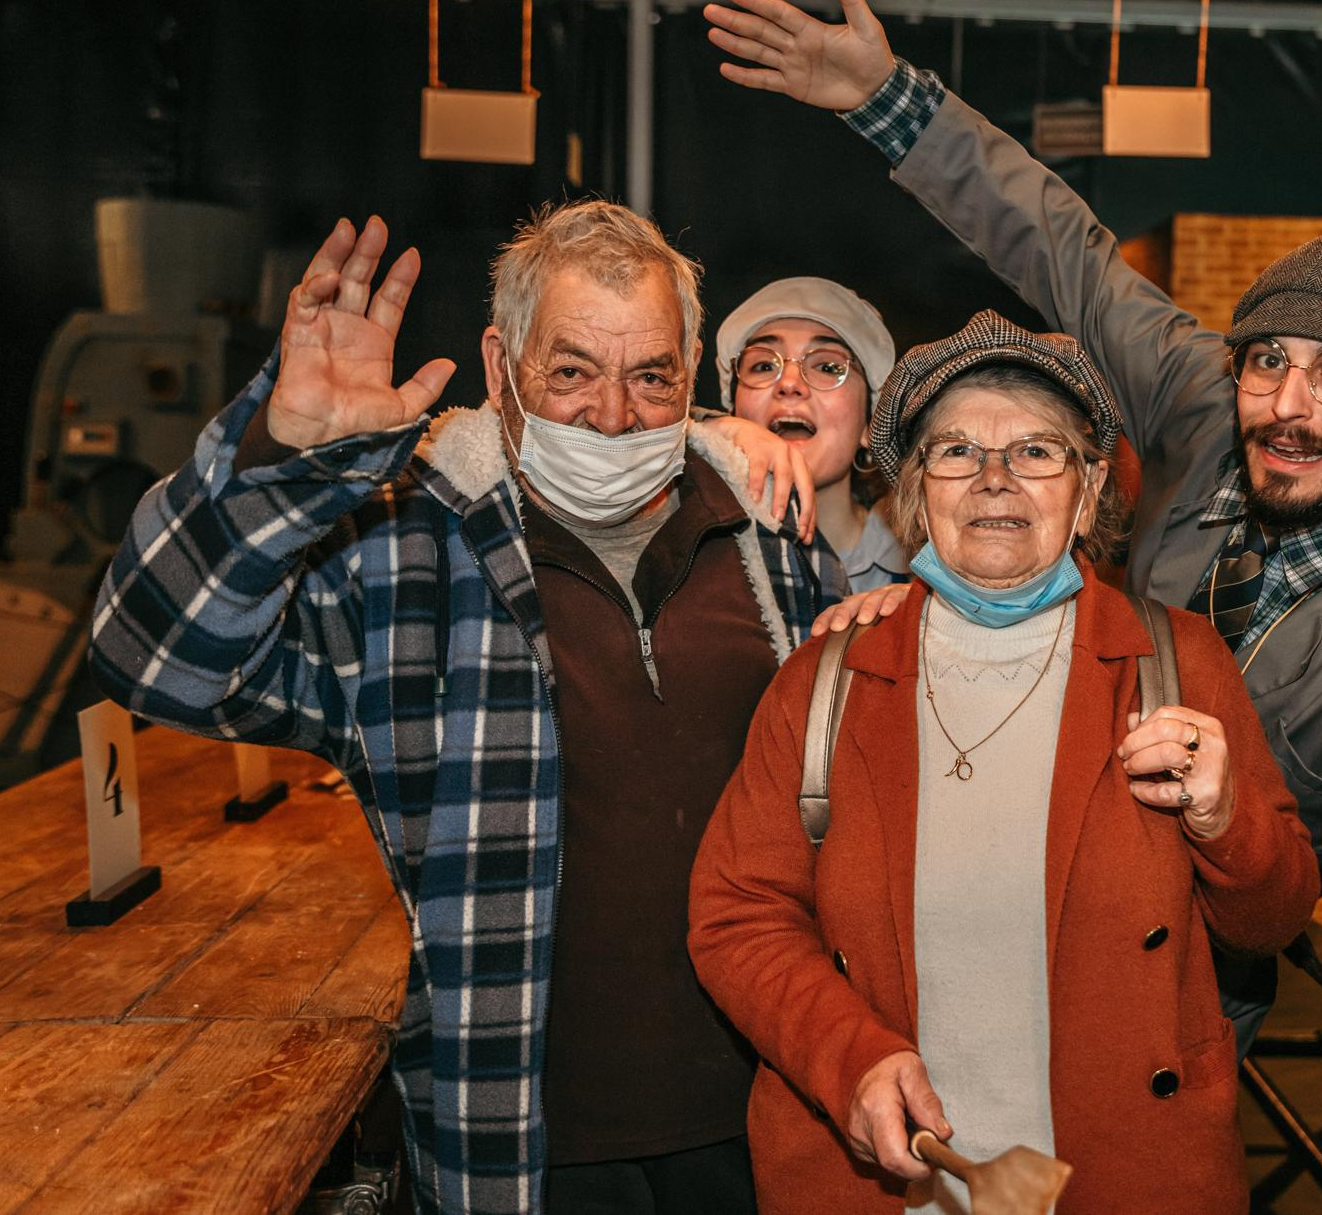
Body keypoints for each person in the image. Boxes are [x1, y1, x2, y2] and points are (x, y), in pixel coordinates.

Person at [705, 0, 1322, 1055]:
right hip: (1005, 876)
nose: (1287, 408)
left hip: (1185, 987)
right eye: (1268, 361)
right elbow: (1061, 250)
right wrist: (894, 103)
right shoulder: (1210, 409)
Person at [90, 205, 826, 1213]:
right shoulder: (402, 549)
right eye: (569, 371)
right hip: (524, 1142)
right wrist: (272, 466)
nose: (612, 416)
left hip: (773, 1123)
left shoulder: (771, 532)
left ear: (694, 366)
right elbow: (153, 654)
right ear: (500, 361)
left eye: (651, 375)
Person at [688, 316, 1319, 1214]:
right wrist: (848, 1054)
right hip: (886, 1179)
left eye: (1035, 450)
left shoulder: (1174, 662)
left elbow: (1277, 914)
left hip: (1120, 1175)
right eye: (955, 451)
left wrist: (1224, 819)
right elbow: (736, 915)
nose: (994, 480)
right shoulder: (827, 680)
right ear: (914, 486)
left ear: (1089, 483)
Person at [718, 277, 910, 599]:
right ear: (733, 413)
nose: (790, 382)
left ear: (871, 420)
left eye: (828, 366)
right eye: (764, 365)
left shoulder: (925, 568)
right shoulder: (693, 551)